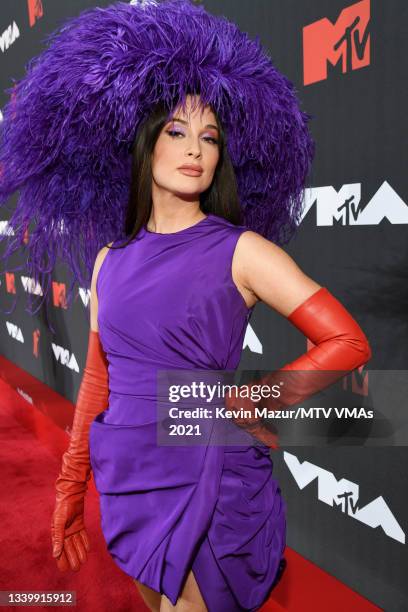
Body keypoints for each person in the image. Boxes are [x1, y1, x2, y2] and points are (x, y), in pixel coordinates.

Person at [0, 2, 371, 610]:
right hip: (129, 471)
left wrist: (253, 400)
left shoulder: (242, 252)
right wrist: (71, 482)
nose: (195, 149)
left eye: (210, 137)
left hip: (206, 467)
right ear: (144, 144)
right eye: (176, 131)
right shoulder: (108, 260)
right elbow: (99, 376)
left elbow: (348, 343)